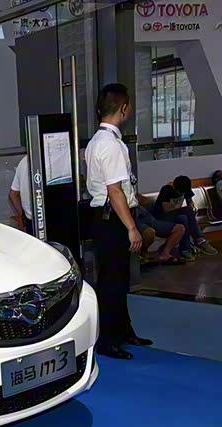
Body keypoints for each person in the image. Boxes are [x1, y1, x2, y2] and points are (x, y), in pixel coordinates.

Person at [86, 83, 152, 360]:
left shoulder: (98, 141)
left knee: (118, 278)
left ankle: (123, 331)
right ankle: (108, 340)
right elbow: (115, 191)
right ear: (124, 108)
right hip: (112, 219)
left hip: (108, 218)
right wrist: (132, 228)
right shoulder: (110, 145)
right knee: (112, 281)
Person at [155, 175, 218, 256]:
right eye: (180, 192)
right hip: (162, 218)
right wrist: (186, 210)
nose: (182, 194)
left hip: (177, 216)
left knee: (183, 218)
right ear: (175, 187)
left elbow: (190, 202)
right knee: (186, 211)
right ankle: (199, 239)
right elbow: (166, 210)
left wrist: (192, 208)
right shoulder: (166, 190)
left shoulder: (186, 189)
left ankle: (185, 249)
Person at [8, 155, 33, 234]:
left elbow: (13, 194)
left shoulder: (23, 162)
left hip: (30, 220)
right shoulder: (52, 157)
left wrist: (23, 215)